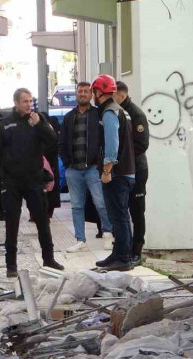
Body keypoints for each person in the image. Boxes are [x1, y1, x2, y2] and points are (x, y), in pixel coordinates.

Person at [0, 88, 64, 278]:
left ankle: (49, 259)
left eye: (31, 101)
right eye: (25, 102)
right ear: (16, 103)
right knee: (12, 223)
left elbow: (53, 141)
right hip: (12, 181)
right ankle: (11, 264)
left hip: (34, 180)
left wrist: (40, 125)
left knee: (42, 221)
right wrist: (1, 177)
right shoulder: (3, 124)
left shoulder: (38, 120)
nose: (29, 105)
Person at [59, 82, 113, 253]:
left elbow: (105, 140)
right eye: (80, 91)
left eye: (86, 91)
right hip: (73, 169)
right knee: (76, 206)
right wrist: (67, 164)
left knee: (101, 203)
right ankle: (80, 239)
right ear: (76, 94)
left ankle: (107, 233)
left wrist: (99, 162)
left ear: (91, 95)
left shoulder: (98, 115)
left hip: (92, 168)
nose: (82, 94)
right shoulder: (69, 117)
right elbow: (61, 142)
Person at [92, 75, 137, 272]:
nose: (94, 96)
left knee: (118, 217)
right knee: (122, 216)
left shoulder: (110, 113)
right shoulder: (122, 111)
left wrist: (107, 170)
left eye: (94, 91)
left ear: (99, 92)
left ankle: (123, 258)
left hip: (117, 174)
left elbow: (112, 144)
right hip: (127, 171)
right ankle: (118, 254)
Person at [115, 81, 150, 264]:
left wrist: (123, 154)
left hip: (137, 169)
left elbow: (142, 144)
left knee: (137, 211)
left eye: (114, 97)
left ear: (121, 96)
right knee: (121, 210)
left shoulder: (136, 114)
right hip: (123, 169)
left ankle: (137, 250)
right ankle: (124, 247)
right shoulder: (118, 113)